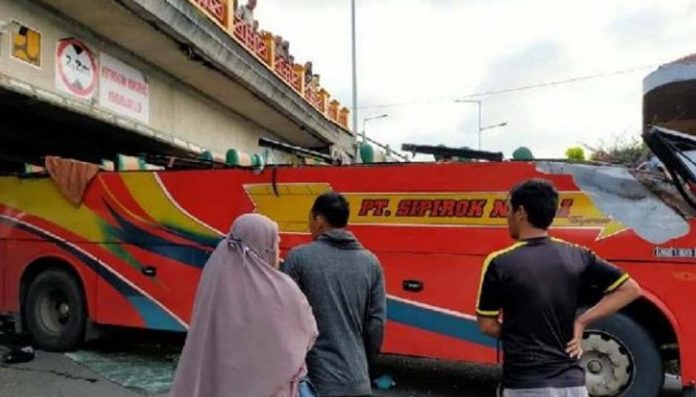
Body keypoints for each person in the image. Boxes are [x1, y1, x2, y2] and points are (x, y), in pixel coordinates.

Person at [476, 179, 642, 397]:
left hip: (525, 384)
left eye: (509, 210)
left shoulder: (500, 262)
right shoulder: (578, 255)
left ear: (521, 212)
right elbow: (631, 289)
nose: (507, 217)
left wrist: (521, 335)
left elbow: (487, 325)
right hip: (573, 385)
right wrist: (582, 321)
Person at [170, 213, 318, 397]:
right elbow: (306, 336)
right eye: (275, 243)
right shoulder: (282, 290)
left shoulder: (215, 275)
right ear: (265, 247)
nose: (277, 250)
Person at [283, 192, 386, 397]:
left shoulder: (299, 259)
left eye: (310, 219)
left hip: (315, 383)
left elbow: (285, 321)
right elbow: (376, 325)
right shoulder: (371, 263)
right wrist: (361, 362)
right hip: (358, 381)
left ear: (319, 220)